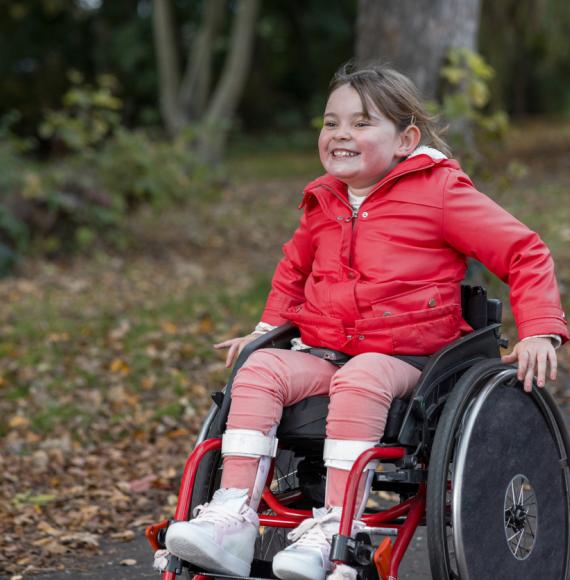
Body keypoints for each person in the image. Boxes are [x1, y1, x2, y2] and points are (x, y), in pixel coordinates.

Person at [164, 63, 569, 580]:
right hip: (329, 351)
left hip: (412, 359)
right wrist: (267, 331)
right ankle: (232, 517)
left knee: (361, 376)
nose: (340, 135)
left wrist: (538, 328)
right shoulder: (323, 201)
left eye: (360, 123)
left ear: (406, 139)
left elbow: (524, 250)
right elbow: (294, 270)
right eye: (331, 123)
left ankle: (336, 528)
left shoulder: (439, 192)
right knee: (259, 369)